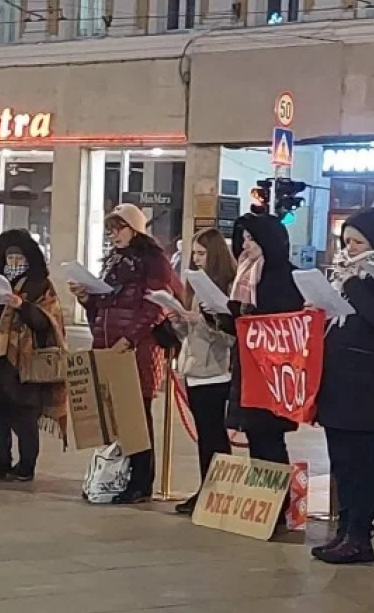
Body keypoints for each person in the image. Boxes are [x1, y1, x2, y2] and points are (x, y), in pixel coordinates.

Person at [312, 207, 374, 565]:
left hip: (364, 379)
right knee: (341, 458)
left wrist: (353, 285)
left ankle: (359, 535)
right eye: (347, 241)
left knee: (358, 461)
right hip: (338, 375)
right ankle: (344, 529)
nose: (350, 248)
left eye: (358, 241)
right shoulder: (346, 272)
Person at [69, 204, 179, 504]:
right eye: (112, 229)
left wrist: (129, 339)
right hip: (110, 346)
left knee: (136, 417)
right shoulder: (115, 262)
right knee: (115, 415)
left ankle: (141, 480)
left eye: (121, 228)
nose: (115, 235)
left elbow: (156, 306)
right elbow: (104, 308)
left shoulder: (152, 262)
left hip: (136, 349)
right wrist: (87, 299)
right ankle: (118, 474)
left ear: (135, 228)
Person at [0, 229, 68, 483]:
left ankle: (26, 464)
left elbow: (50, 322)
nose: (14, 263)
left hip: (22, 360)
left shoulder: (40, 285)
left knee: (24, 415)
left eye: (19, 258)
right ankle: (1, 460)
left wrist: (23, 307)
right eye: (10, 258)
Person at [221, 214, 304, 483]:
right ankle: (263, 500)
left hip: (274, 372)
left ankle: (277, 505)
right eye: (243, 239)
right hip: (248, 367)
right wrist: (223, 316)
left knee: (270, 439)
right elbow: (239, 325)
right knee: (255, 437)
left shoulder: (285, 276)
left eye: (251, 240)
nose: (245, 246)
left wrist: (251, 319)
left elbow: (286, 324)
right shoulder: (244, 275)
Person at [170, 227, 238, 516]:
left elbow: (229, 336)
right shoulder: (196, 286)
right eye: (194, 253)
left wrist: (205, 319)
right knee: (205, 435)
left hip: (216, 371)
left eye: (201, 253)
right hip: (194, 367)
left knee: (213, 435)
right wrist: (179, 319)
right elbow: (191, 332)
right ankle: (206, 487)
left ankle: (218, 491)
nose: (196, 259)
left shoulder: (224, 287)